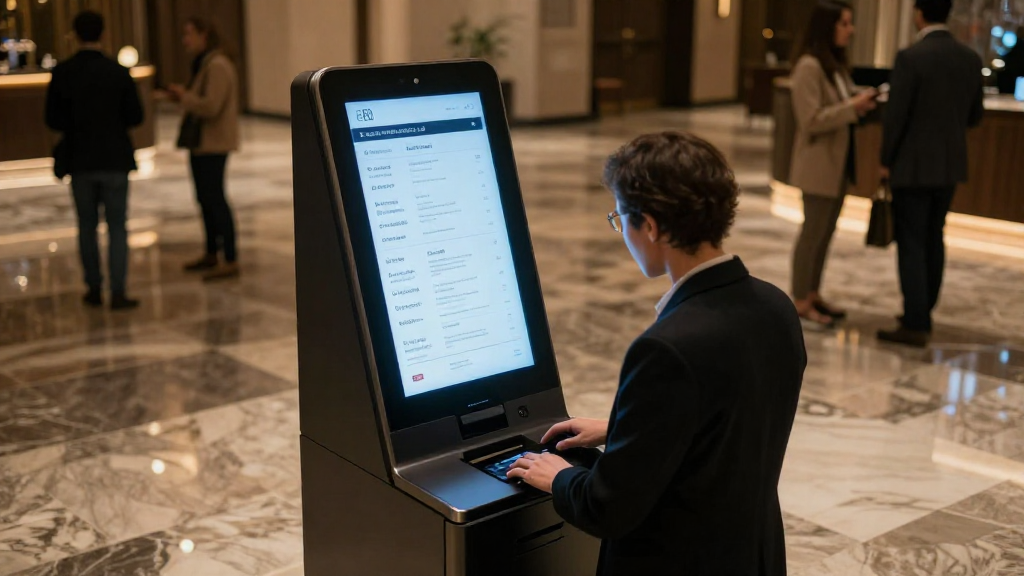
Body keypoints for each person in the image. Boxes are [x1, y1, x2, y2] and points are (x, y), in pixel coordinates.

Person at [507, 132, 807, 576]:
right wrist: (626, 428)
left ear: (649, 225)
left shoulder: (667, 348)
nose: (622, 232)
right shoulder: (775, 306)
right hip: (753, 553)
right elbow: (731, 426)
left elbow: (607, 507)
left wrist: (559, 476)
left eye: (620, 219)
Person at [878, 0, 984, 347]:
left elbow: (896, 119)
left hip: (912, 167)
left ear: (919, 13)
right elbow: (974, 116)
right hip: (950, 167)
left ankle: (915, 321)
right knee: (934, 236)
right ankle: (924, 309)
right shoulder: (969, 59)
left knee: (910, 242)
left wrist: (885, 159)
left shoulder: (911, 57)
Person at [787, 0, 878, 328]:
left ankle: (813, 293)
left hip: (837, 167)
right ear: (827, 27)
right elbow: (810, 120)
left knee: (825, 234)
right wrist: (853, 106)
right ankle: (799, 299)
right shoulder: (808, 66)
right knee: (812, 234)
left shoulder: (834, 66)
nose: (850, 31)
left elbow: (838, 104)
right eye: (844, 24)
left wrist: (860, 100)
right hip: (817, 167)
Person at [45, 10, 143, 310]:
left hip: (80, 159)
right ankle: (118, 291)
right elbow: (136, 116)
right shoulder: (117, 71)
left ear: (75, 34)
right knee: (117, 226)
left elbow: (52, 119)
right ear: (102, 34)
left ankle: (93, 287)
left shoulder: (63, 73)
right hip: (114, 159)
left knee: (86, 225)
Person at [167, 17, 241, 281]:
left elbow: (211, 106)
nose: (185, 40)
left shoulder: (217, 65)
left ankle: (230, 257)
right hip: (202, 144)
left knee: (215, 199)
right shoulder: (206, 63)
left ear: (204, 35)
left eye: (189, 34)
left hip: (213, 144)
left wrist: (183, 96)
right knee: (204, 198)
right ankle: (212, 252)